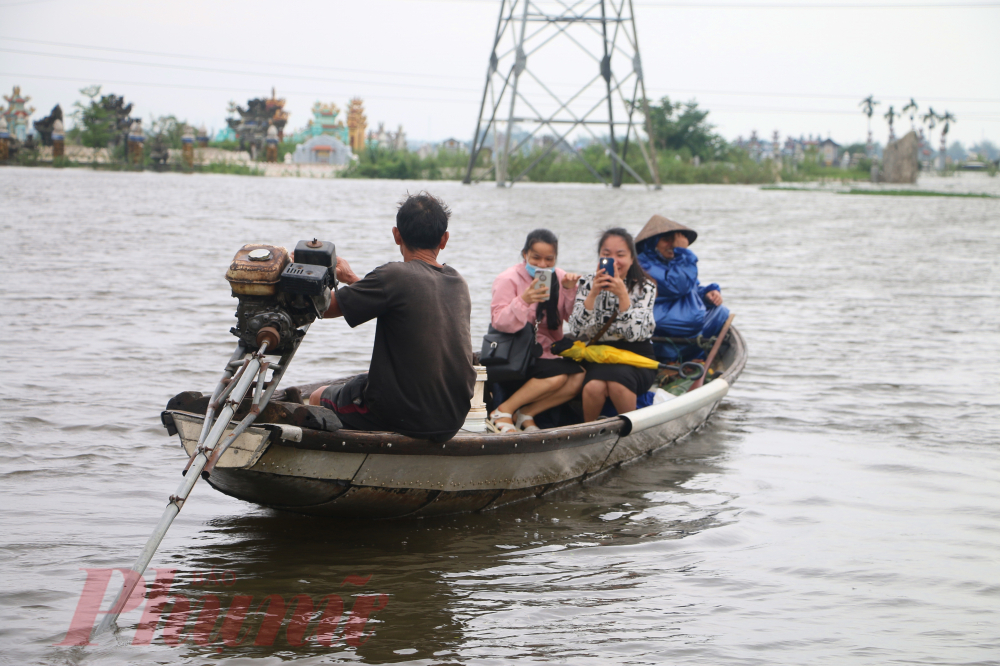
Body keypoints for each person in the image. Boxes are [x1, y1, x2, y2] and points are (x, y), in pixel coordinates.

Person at [308, 193, 475, 443]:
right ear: (444, 239)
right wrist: (353, 279)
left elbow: (325, 308)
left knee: (317, 397)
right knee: (365, 379)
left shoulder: (393, 275)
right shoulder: (457, 281)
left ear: (397, 235)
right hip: (453, 417)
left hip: (404, 416)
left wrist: (313, 274)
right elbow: (401, 296)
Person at [488, 229, 583, 433]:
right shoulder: (508, 279)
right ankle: (503, 411)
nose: (542, 264)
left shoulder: (560, 277)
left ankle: (525, 413)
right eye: (536, 258)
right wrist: (524, 300)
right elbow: (499, 322)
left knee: (579, 376)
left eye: (549, 259)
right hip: (517, 353)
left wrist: (569, 290)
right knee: (557, 376)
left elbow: (572, 319)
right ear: (525, 254)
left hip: (548, 351)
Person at [569, 228, 657, 422]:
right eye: (607, 255)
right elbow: (576, 329)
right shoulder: (587, 283)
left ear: (632, 258)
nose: (614, 261)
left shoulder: (645, 287)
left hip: (636, 356)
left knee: (618, 384)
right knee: (594, 386)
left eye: (621, 255)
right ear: (600, 257)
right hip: (600, 355)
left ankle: (631, 433)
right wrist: (593, 294)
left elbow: (637, 333)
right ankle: (588, 435)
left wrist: (623, 296)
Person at [635, 214, 730, 362]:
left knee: (721, 312)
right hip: (659, 329)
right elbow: (677, 286)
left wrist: (706, 294)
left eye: (676, 241)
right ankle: (680, 357)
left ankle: (691, 357)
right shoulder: (643, 265)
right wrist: (683, 252)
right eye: (666, 240)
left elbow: (690, 290)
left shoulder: (674, 262)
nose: (673, 245)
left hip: (682, 328)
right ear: (652, 243)